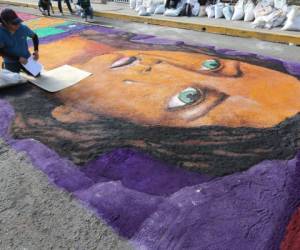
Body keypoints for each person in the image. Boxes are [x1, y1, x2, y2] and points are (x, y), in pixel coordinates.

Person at [0, 9, 39, 74]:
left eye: (18, 22)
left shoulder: (23, 28)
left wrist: (36, 51)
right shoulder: (1, 33)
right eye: (14, 24)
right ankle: (5, 65)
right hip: (11, 61)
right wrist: (18, 58)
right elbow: (1, 51)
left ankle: (22, 68)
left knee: (37, 74)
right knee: (13, 81)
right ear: (5, 23)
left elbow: (34, 36)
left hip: (26, 58)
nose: (18, 25)